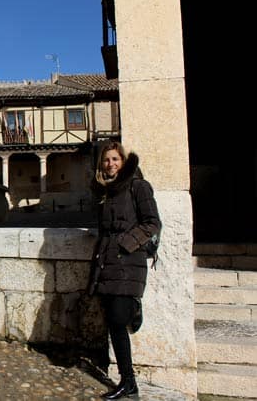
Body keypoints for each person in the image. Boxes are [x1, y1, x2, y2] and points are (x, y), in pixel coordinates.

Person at [88, 141, 161, 400]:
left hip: (129, 259)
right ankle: (128, 381)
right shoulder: (104, 193)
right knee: (113, 322)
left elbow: (152, 222)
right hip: (106, 261)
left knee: (118, 319)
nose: (110, 164)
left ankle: (128, 380)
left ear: (124, 161)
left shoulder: (138, 186)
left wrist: (125, 244)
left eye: (115, 159)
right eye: (106, 160)